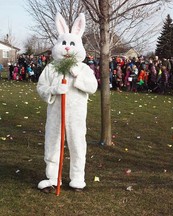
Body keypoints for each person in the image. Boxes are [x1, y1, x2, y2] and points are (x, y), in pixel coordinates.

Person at [37, 13, 98, 191]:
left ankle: (77, 178)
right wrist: (53, 90)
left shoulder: (83, 68)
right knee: (53, 142)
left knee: (77, 143)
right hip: (56, 113)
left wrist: (77, 76)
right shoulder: (51, 68)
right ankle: (53, 176)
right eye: (64, 43)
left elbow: (93, 87)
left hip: (77, 114)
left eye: (72, 44)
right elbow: (41, 88)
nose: (67, 48)